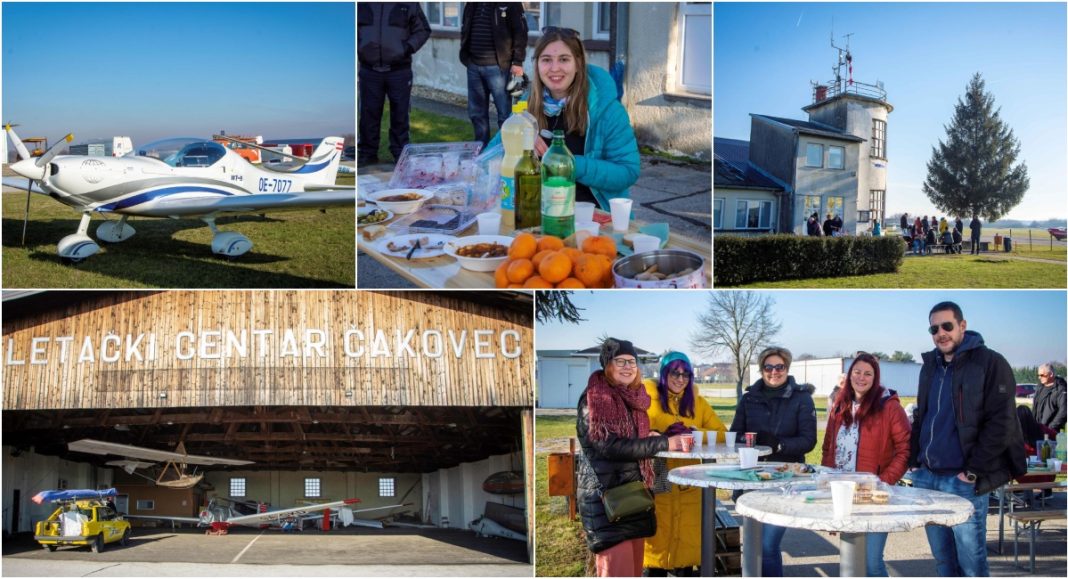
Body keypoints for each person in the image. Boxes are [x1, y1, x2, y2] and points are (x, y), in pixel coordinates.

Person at [908, 301, 1026, 577]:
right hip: (927, 479)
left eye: (947, 326)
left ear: (962, 325)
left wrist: (972, 472)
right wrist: (914, 462)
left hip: (962, 481)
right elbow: (922, 416)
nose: (941, 333)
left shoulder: (990, 362)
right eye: (934, 329)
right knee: (944, 562)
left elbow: (1002, 422)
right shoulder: (930, 366)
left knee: (971, 565)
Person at [490, 27, 639, 211]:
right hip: (533, 211)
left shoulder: (606, 110)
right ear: (537, 65)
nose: (555, 68)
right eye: (546, 60)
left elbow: (628, 171)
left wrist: (569, 164)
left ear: (578, 63)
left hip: (591, 216)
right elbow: (489, 158)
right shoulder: (525, 108)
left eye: (564, 59)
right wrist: (516, 144)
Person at [577, 338, 685, 577]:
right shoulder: (596, 399)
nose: (628, 367)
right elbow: (610, 446)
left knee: (634, 571)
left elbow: (628, 437)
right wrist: (664, 443)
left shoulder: (632, 399)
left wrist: (650, 435)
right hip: (608, 501)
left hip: (633, 498)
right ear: (608, 365)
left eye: (632, 362)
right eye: (620, 361)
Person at [822, 353, 911, 577]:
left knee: (871, 562)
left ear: (875, 377)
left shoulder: (889, 407)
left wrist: (882, 483)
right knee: (850, 561)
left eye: (868, 374)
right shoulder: (839, 405)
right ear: (849, 374)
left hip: (874, 497)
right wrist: (828, 491)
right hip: (843, 495)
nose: (861, 377)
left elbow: (905, 450)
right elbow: (827, 449)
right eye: (857, 372)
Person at [730, 347, 817, 577]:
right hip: (752, 477)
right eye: (768, 367)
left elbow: (809, 440)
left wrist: (779, 445)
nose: (774, 371)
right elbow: (735, 435)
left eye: (780, 367)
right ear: (761, 369)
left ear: (787, 368)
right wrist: (752, 442)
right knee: (752, 546)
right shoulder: (749, 398)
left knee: (767, 546)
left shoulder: (802, 398)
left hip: (786, 480)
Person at [642, 352, 726, 576]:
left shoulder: (697, 403)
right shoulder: (647, 398)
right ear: (664, 374)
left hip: (690, 477)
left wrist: (695, 432)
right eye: (675, 373)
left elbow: (721, 433)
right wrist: (661, 435)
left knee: (687, 539)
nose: (680, 379)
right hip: (658, 474)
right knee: (657, 536)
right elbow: (636, 432)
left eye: (686, 374)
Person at [357, 3, 431, 166]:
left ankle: (400, 154)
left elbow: (423, 30)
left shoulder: (409, 4)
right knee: (368, 114)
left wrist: (406, 48)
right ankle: (367, 154)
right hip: (369, 70)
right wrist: (359, 48)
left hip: (399, 71)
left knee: (400, 114)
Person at [460, 3, 528, 147]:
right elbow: (465, 28)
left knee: (505, 114)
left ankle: (507, 150)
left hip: (499, 68)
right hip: (474, 67)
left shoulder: (511, 4)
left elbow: (520, 32)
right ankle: (481, 149)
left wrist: (517, 61)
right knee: (477, 113)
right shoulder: (472, 4)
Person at [1033, 363, 1067, 432]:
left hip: (1051, 432)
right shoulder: (1039, 388)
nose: (1039, 377)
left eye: (1042, 375)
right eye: (1038, 375)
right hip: (1037, 430)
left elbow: (1064, 412)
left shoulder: (1060, 389)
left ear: (1051, 374)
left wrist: (1050, 428)